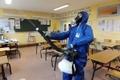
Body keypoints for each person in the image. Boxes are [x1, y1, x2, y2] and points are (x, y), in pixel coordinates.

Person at [49, 11, 94, 80]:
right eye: (77, 15)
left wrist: (75, 42)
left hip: (79, 56)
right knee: (66, 71)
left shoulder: (87, 28)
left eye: (79, 16)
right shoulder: (73, 28)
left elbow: (89, 37)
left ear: (84, 17)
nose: (77, 17)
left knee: (78, 74)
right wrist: (51, 36)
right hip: (69, 54)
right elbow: (63, 35)